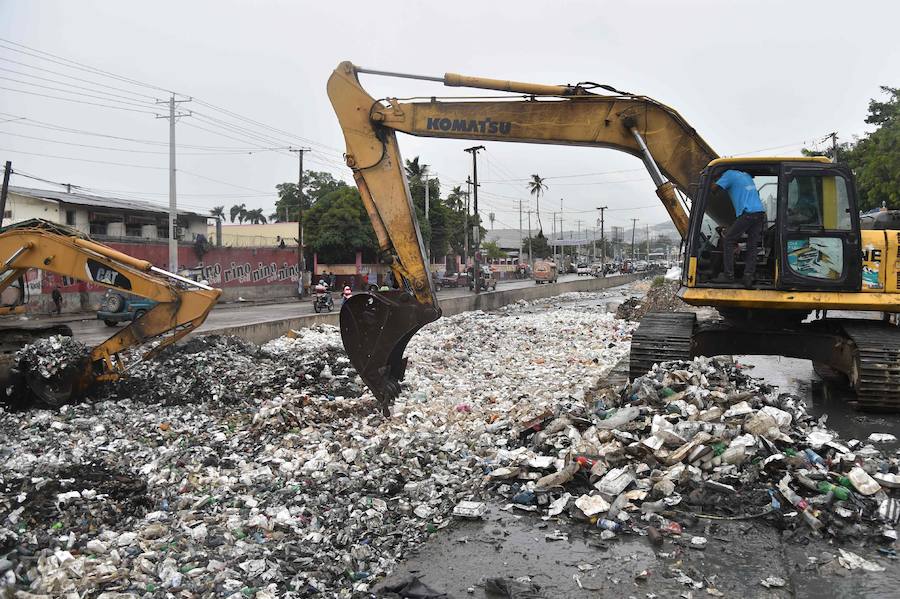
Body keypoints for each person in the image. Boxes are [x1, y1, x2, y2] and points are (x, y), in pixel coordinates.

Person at [712, 169, 767, 287]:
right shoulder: (745, 175)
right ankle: (748, 276)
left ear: (719, 176)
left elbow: (713, 190)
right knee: (752, 245)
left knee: (728, 240)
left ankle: (728, 276)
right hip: (759, 213)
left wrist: (707, 184)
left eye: (717, 179)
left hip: (748, 213)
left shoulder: (727, 175)